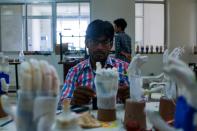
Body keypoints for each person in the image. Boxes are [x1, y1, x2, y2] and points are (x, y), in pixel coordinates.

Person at [60, 19, 130, 106]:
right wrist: (73, 101)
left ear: (111, 45)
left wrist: (133, 98)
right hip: (85, 119)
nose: (99, 47)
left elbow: (142, 101)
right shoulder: (75, 72)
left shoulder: (125, 69)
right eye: (94, 42)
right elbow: (63, 102)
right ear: (87, 43)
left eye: (104, 42)